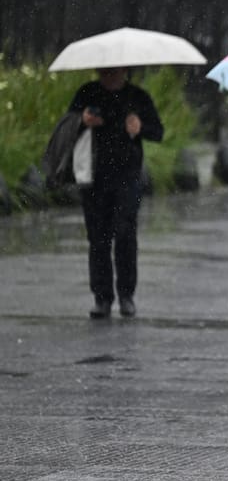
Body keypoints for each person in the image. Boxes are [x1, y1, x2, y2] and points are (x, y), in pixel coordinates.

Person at [68, 67, 164, 319]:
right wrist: (82, 121)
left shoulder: (137, 97)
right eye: (104, 72)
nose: (109, 75)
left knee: (125, 234)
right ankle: (102, 297)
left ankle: (126, 295)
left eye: (114, 72)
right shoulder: (87, 93)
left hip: (127, 176)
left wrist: (139, 127)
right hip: (94, 176)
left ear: (124, 70)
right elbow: (67, 128)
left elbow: (158, 132)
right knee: (98, 238)